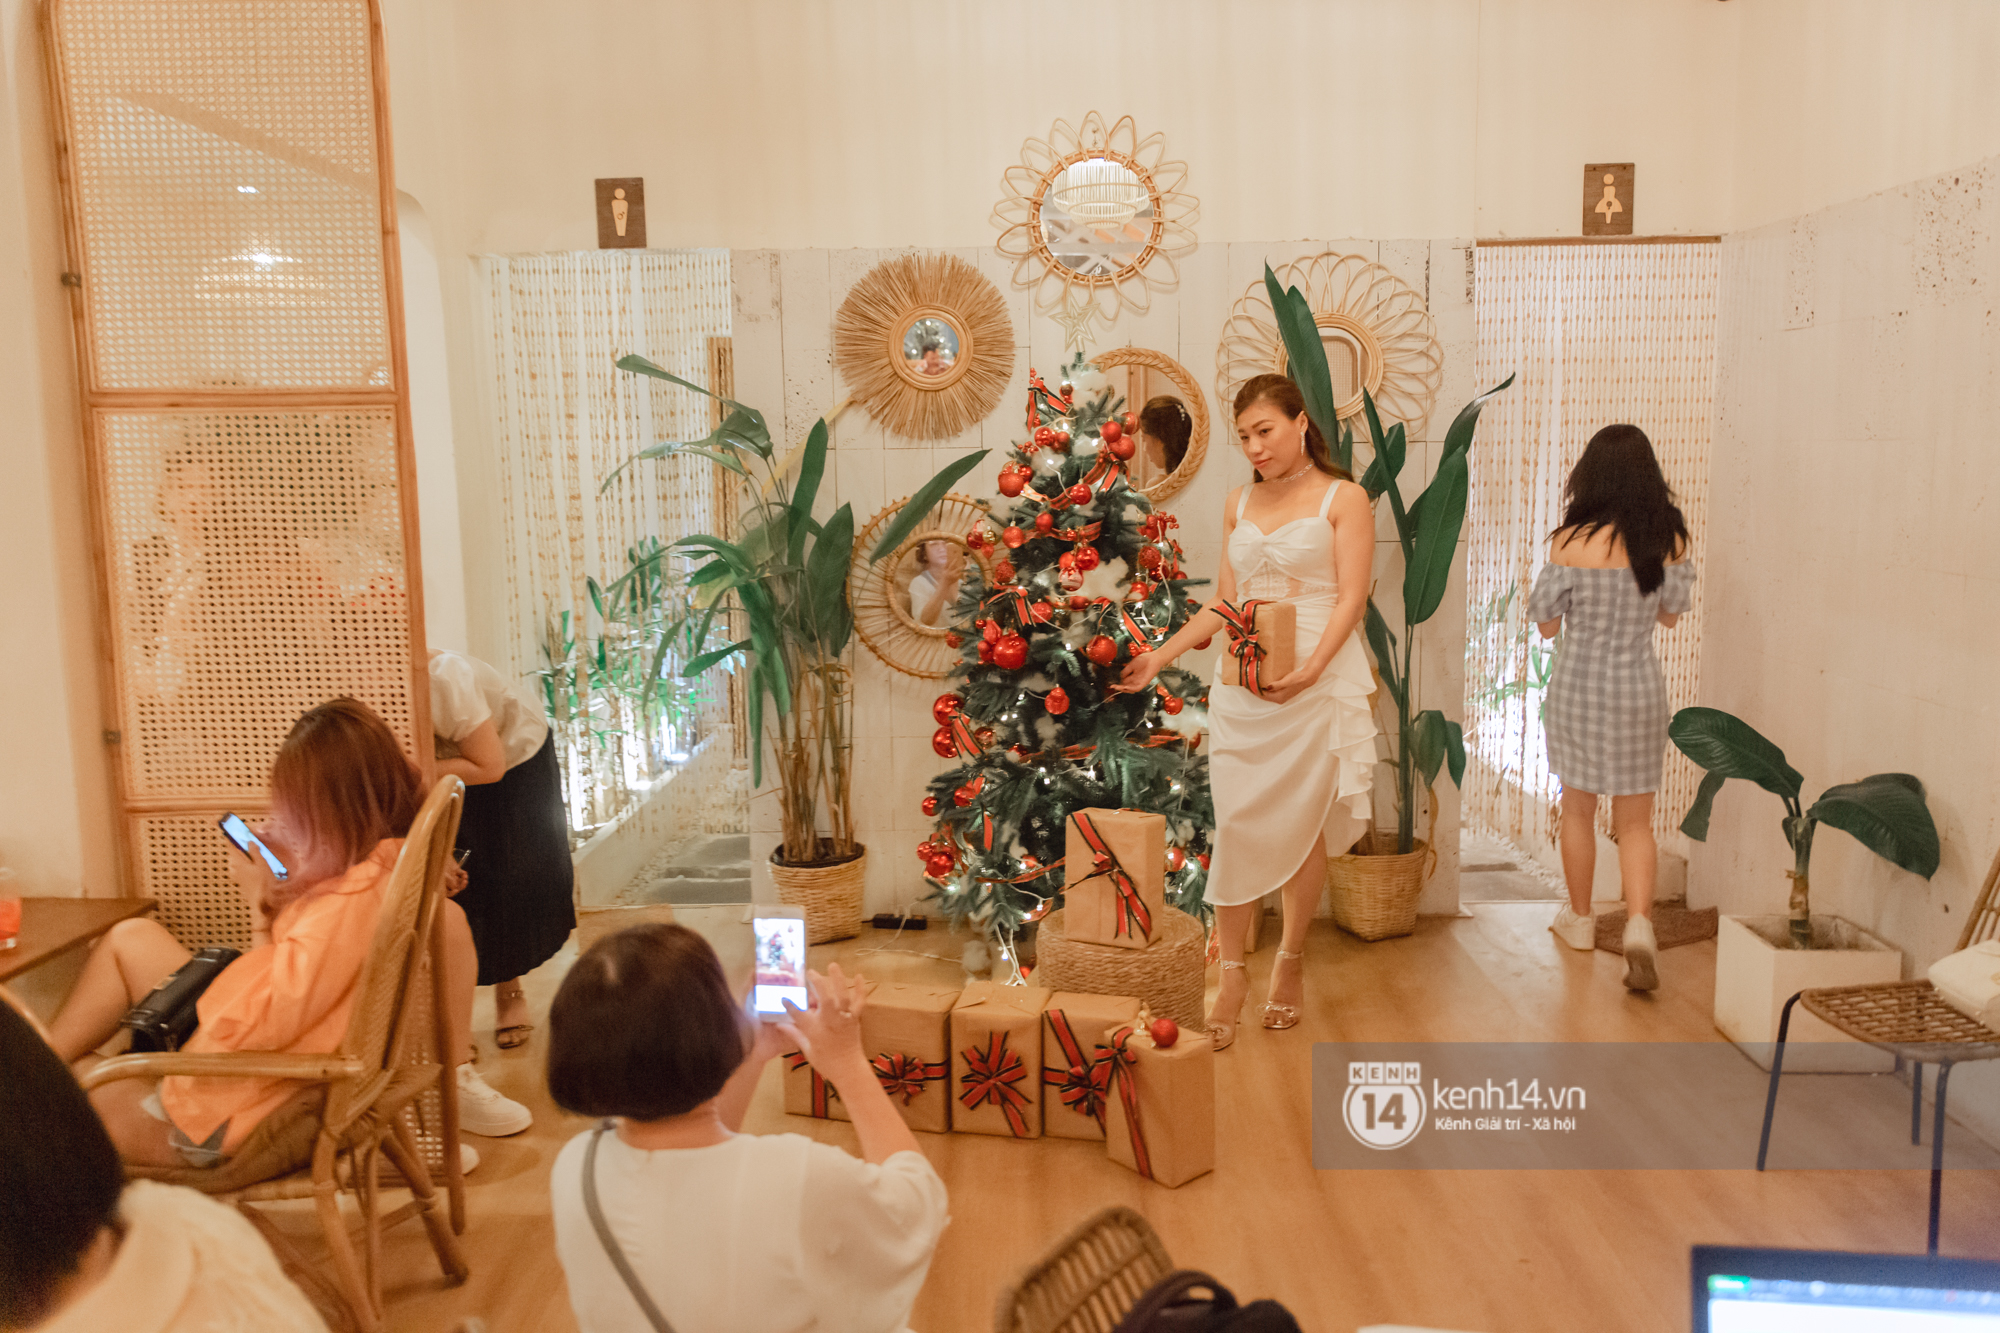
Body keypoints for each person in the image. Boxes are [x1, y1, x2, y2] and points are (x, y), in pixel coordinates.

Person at [46, 697, 529, 1165]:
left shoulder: (346, 905)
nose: (282, 821)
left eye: (293, 809)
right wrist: (292, 881)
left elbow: (248, 1028)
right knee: (127, 946)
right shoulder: (383, 873)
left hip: (246, 1114)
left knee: (65, 1083)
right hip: (277, 1088)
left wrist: (258, 898)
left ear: (323, 815)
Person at [1115, 374, 1376, 1050]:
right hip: (1242, 680)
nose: (1255, 446)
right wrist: (1159, 654)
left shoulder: (1343, 498)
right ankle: (1231, 973)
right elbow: (1223, 603)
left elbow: (1353, 595)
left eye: (1265, 431)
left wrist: (1314, 667)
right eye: (1245, 437)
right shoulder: (1237, 501)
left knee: (1302, 825)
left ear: (1299, 422)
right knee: (1233, 821)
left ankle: (1288, 959)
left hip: (1314, 678)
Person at [546, 924, 948, 1333]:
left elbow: (702, 1171)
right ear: (716, 1027)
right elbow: (916, 1208)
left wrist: (752, 1055)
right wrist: (847, 1064)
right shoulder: (797, 1176)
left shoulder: (577, 1164)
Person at [1, 977, 329, 1331]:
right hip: (252, 1095)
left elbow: (255, 1021)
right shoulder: (191, 1217)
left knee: (93, 1070)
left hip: (239, 1111)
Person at [1527, 424, 1695, 991]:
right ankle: (1641, 923)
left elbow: (1547, 626)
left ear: (1590, 475)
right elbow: (1670, 616)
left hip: (1580, 688)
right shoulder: (1668, 540)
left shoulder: (1570, 540)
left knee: (1577, 808)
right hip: (1639, 690)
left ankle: (1579, 919)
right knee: (1636, 821)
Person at [429, 648, 575, 1055]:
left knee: (507, 874)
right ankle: (455, 1024)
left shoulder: (445, 676)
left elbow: (488, 766)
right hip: (438, 765)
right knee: (455, 885)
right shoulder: (356, 692)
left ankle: (509, 991)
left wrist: (411, 767)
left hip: (511, 757)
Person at [1133, 394, 1192, 489]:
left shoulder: (1157, 484)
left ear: (1158, 439)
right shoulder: (1193, 475)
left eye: (1144, 439)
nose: (1144, 449)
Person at [906, 540, 964, 627]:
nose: (941, 549)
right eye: (934, 544)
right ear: (924, 554)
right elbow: (925, 621)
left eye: (945, 544)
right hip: (930, 639)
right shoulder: (919, 583)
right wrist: (945, 583)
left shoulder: (962, 583)